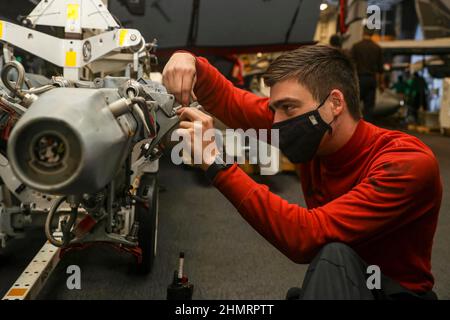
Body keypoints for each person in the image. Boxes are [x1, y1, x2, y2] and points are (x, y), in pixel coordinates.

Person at [162, 45, 442, 300]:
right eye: (274, 109)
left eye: (287, 107)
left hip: (396, 293)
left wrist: (216, 163)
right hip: (340, 278)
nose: (276, 123)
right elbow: (232, 101)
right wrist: (188, 61)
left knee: (334, 252)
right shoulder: (312, 126)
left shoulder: (406, 163)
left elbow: (306, 236)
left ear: (335, 103)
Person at [350, 27, 385, 122]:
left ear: (363, 32)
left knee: (354, 105)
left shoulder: (356, 46)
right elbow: (381, 70)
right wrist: (381, 84)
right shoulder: (377, 48)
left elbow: (350, 65)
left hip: (359, 80)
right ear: (372, 34)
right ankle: (367, 131)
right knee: (369, 108)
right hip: (371, 80)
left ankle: (354, 126)